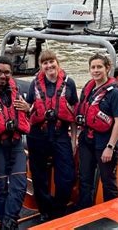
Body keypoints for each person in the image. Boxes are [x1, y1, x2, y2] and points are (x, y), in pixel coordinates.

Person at [25, 49, 78, 221]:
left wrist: (74, 140)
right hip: (38, 135)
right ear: (41, 66)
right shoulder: (35, 84)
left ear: (57, 62)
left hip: (60, 134)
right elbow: (29, 107)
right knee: (39, 175)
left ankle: (59, 209)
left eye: (51, 62)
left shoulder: (69, 84)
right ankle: (44, 210)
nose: (49, 66)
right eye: (45, 63)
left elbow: (73, 113)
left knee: (67, 176)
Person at [0, 56, 30, 230]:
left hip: (16, 144)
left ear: (12, 74)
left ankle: (7, 223)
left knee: (20, 184)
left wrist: (28, 108)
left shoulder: (18, 90)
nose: (3, 75)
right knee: (0, 188)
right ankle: (6, 224)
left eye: (7, 72)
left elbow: (32, 112)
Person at [75, 52, 118, 210]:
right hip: (87, 140)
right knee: (85, 180)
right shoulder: (89, 88)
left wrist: (110, 147)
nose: (96, 70)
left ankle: (112, 215)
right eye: (93, 67)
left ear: (107, 68)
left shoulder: (115, 94)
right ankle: (85, 213)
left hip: (105, 143)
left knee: (108, 181)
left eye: (99, 67)